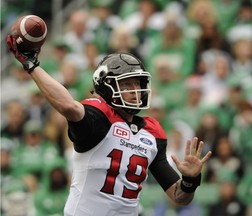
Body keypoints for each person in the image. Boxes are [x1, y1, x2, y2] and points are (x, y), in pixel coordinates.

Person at [6, 35, 212, 216]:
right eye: (126, 84)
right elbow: (68, 106)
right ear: (106, 87)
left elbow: (178, 197)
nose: (135, 90)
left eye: (137, 84)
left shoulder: (152, 132)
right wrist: (32, 65)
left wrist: (190, 181)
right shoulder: (99, 118)